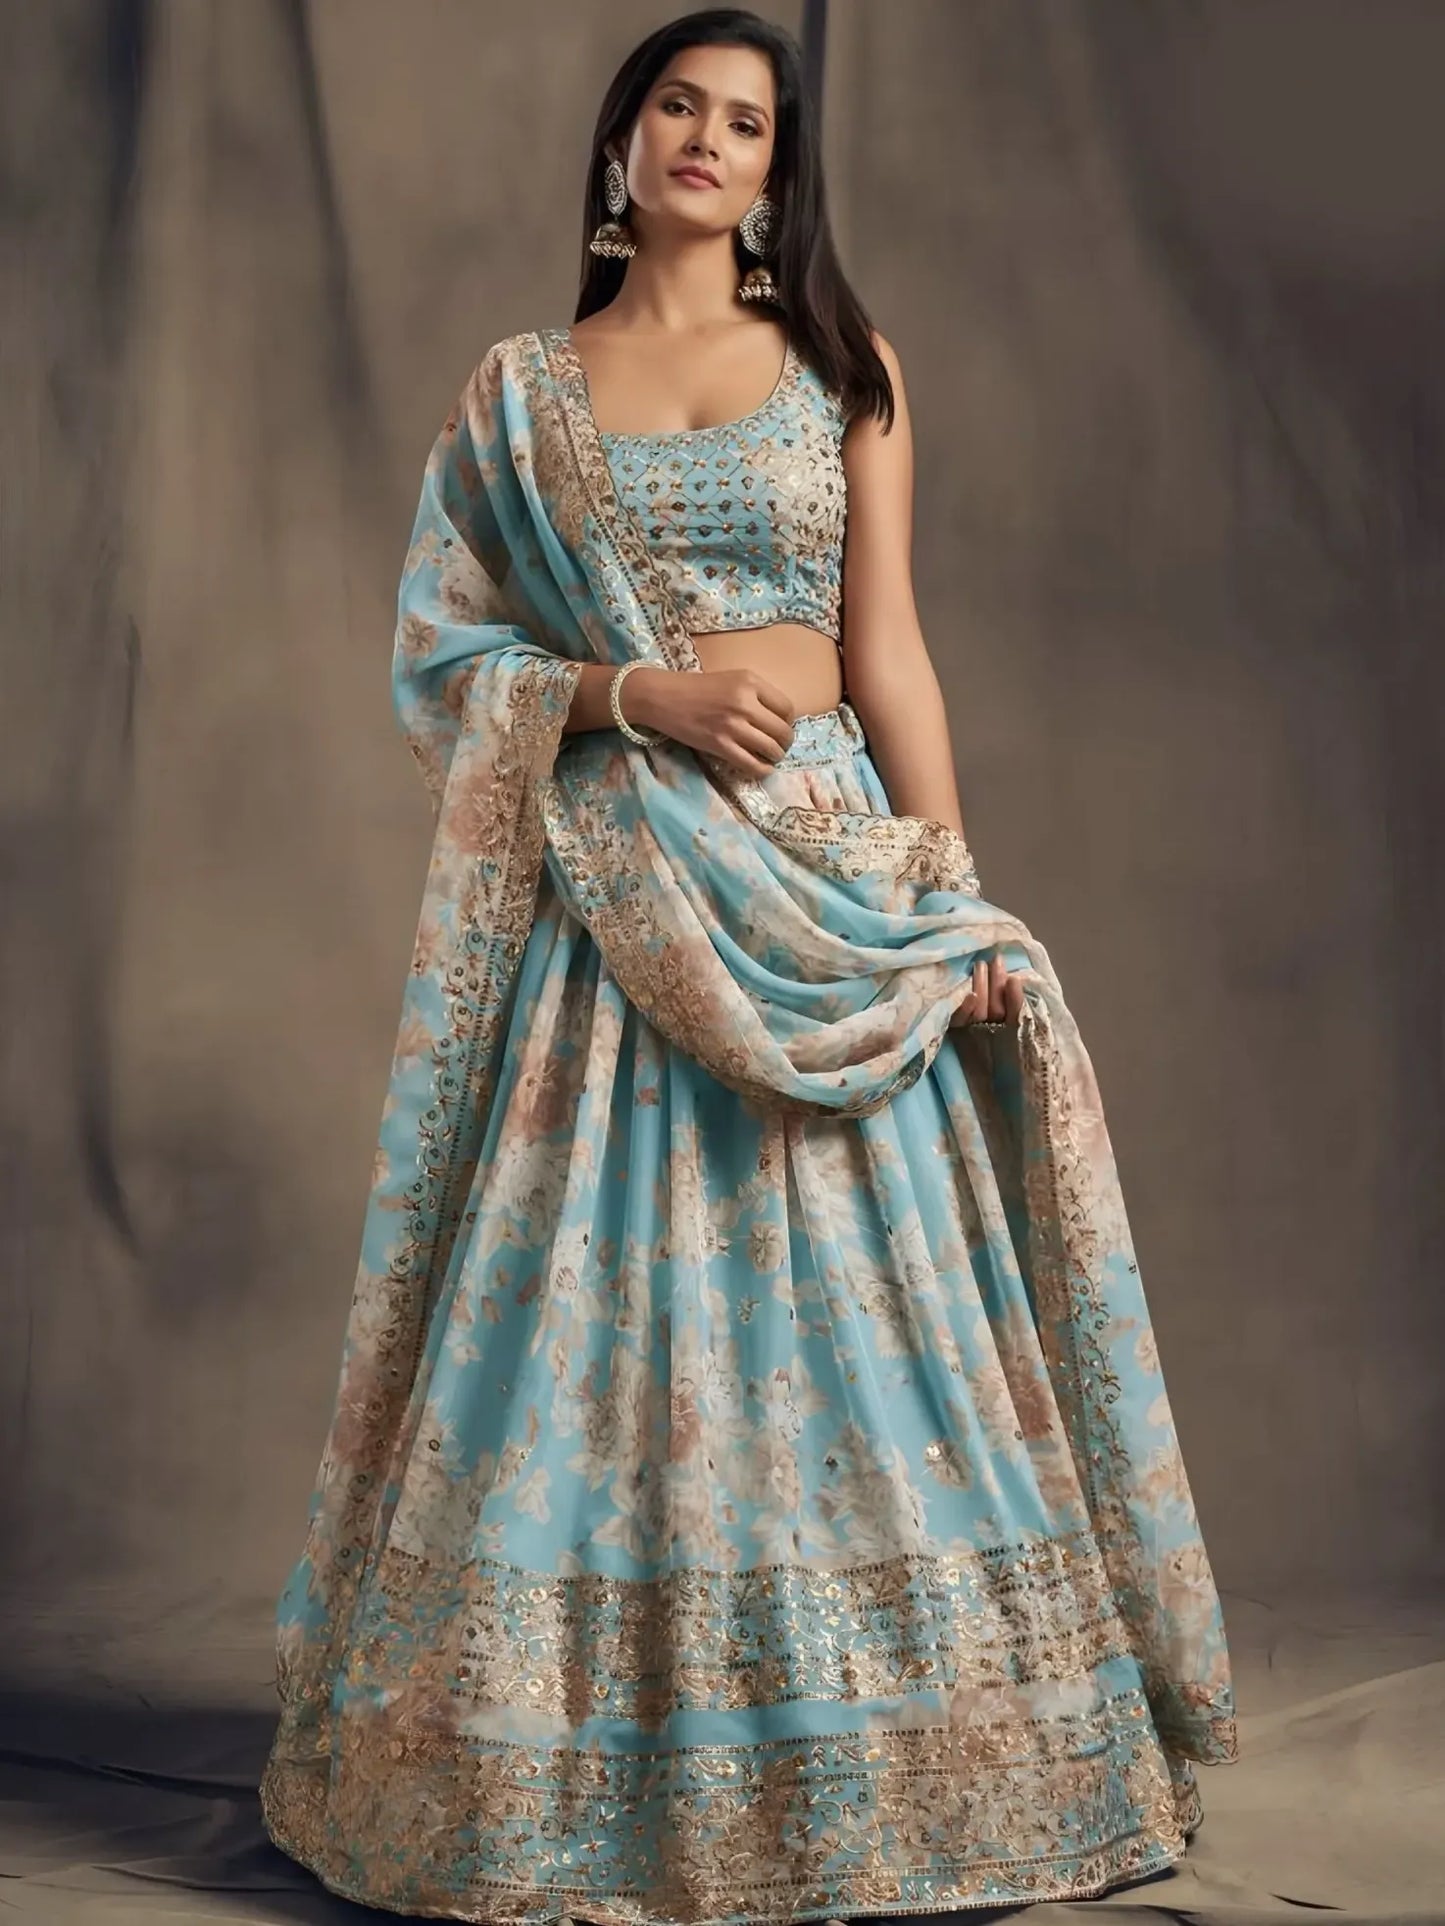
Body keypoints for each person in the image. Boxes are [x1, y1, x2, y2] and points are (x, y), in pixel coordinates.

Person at [257, 8, 1238, 1920]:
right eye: (678, 108)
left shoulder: (844, 364)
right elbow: (440, 658)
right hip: (619, 910)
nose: (708, 141)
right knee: (597, 1334)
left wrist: (946, 890)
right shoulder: (520, 397)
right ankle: (591, 1765)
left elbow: (890, 650)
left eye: (747, 123)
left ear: (777, 175)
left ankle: (900, 1751)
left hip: (824, 889)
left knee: (875, 1335)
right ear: (619, 144)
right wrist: (637, 692)